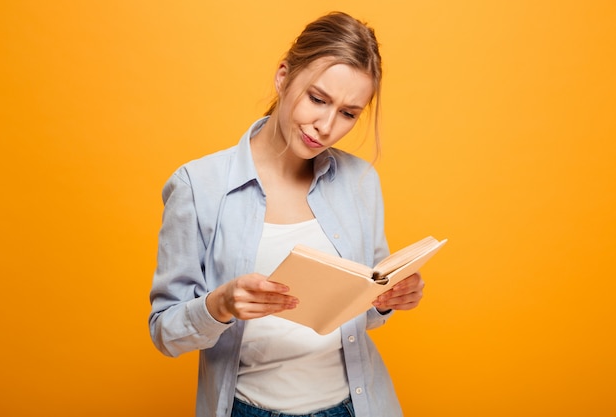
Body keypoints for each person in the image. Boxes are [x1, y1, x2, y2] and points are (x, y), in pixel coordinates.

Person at [149, 11, 425, 417]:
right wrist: (219, 304)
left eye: (348, 113)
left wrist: (385, 300)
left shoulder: (360, 181)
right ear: (283, 76)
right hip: (249, 409)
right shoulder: (198, 186)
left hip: (356, 406)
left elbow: (360, 316)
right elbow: (165, 333)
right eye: (317, 99)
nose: (326, 126)